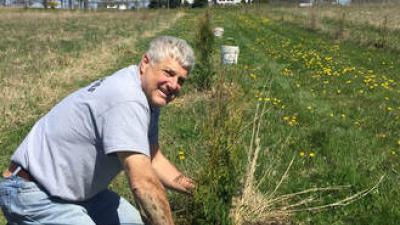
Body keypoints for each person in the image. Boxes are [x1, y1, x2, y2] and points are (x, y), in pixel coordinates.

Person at [0, 36, 196, 225]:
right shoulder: (127, 97)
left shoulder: (149, 96)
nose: (173, 85)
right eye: (168, 73)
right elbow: (144, 184)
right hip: (33, 192)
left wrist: (198, 189)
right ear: (145, 62)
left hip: (79, 194)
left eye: (181, 80)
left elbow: (153, 158)